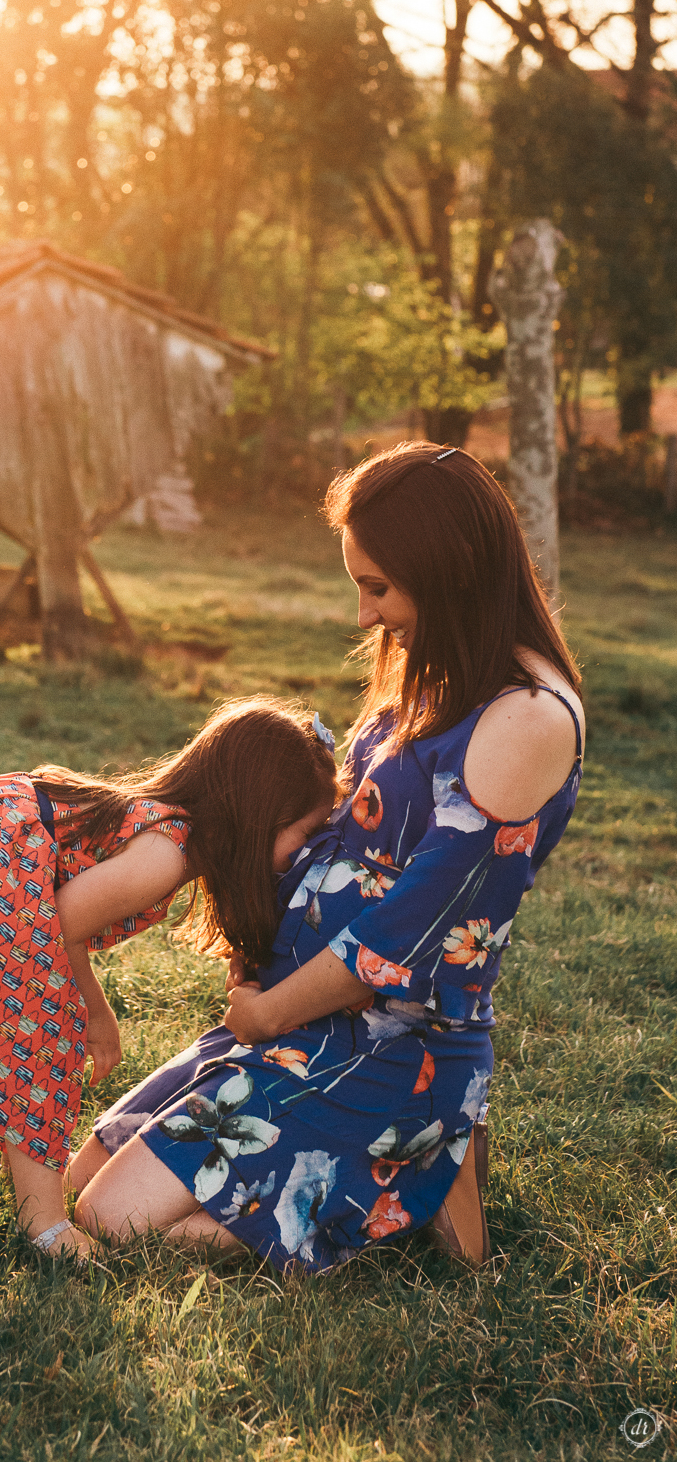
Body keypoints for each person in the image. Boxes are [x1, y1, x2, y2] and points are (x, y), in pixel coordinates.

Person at [71, 443, 585, 1272]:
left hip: (388, 1047)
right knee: (84, 1179)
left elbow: (408, 932)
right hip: (307, 1017)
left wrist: (268, 1014)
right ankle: (382, 1187)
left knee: (114, 1222)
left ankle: (404, 1185)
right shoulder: (434, 674)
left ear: (449, 568)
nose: (363, 616)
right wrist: (252, 953)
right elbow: (342, 833)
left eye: (376, 587)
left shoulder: (526, 719)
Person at [0, 697, 336, 1258]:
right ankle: (44, 1226)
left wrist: (93, 1008)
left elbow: (56, 924)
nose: (300, 852)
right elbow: (55, 927)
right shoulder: (164, 856)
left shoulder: (168, 828)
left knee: (33, 1026)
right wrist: (91, 1010)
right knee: (44, 1036)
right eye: (300, 832)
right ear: (258, 815)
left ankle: (32, 1188)